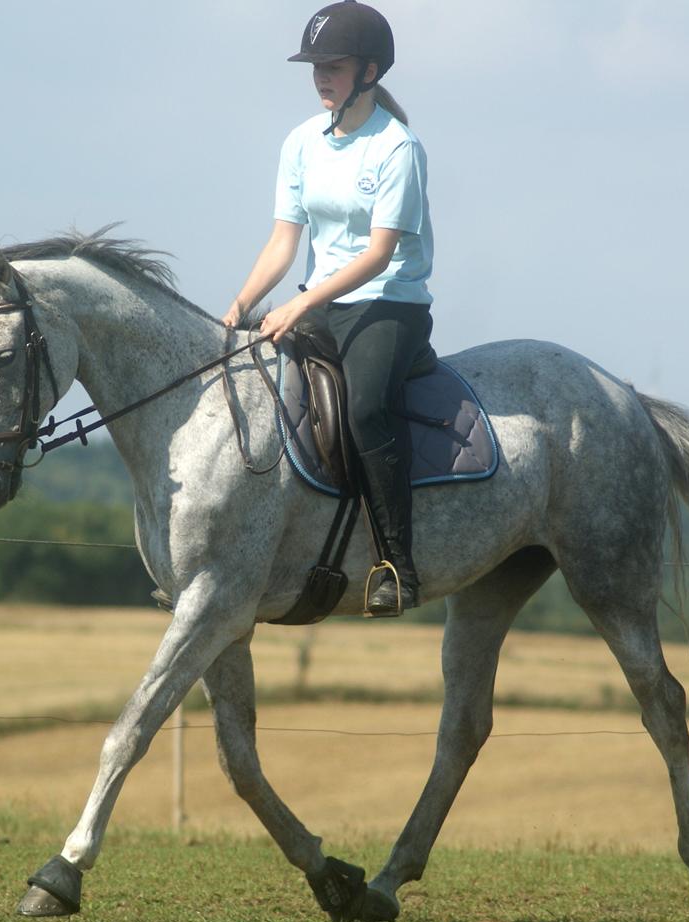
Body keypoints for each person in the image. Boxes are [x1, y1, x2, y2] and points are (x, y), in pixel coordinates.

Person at [222, 0, 434, 617]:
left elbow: (377, 255)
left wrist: (300, 306)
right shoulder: (301, 143)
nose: (319, 76)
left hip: (387, 303)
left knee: (366, 408)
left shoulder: (398, 148)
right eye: (314, 65)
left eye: (332, 66)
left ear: (369, 72)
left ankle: (398, 565)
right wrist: (240, 304)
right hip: (319, 301)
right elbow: (284, 241)